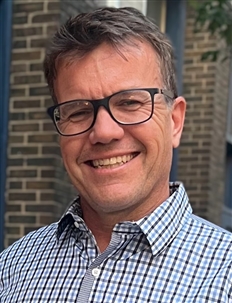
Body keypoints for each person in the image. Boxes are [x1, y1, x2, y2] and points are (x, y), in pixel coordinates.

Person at [0, 6, 232, 303]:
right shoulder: (12, 267)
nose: (104, 132)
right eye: (78, 111)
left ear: (175, 122)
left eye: (130, 103)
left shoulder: (223, 276)